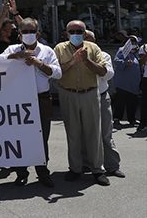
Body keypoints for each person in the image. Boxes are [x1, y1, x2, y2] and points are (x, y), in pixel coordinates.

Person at [0, 18, 61, 188]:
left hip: (41, 99)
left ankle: (42, 172)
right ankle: (21, 172)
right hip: (19, 101)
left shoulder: (47, 51)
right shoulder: (12, 49)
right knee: (20, 136)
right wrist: (16, 56)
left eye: (31, 31)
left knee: (41, 137)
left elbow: (57, 73)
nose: (28, 34)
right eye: (24, 32)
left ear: (38, 33)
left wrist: (39, 64)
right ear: (19, 35)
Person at [54, 20, 110, 186]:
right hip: (68, 93)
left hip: (90, 93)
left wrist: (86, 61)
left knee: (94, 133)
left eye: (79, 31)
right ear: (66, 33)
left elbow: (103, 71)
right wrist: (73, 61)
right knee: (73, 133)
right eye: (72, 31)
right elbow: (57, 73)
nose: (76, 34)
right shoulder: (60, 48)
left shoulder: (93, 48)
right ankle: (75, 168)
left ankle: (97, 170)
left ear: (85, 33)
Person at [84, 30, 124, 178]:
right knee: (84, 133)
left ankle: (112, 166)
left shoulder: (103, 55)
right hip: (83, 97)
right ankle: (84, 164)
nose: (86, 41)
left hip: (100, 96)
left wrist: (90, 62)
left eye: (89, 38)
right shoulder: (75, 56)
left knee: (106, 133)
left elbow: (107, 74)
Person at [112, 35, 141, 128]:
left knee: (132, 102)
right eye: (131, 41)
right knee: (120, 102)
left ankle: (131, 119)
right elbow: (116, 61)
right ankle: (117, 119)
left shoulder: (136, 52)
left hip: (133, 84)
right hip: (123, 83)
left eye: (134, 41)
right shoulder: (122, 50)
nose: (133, 43)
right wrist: (125, 63)